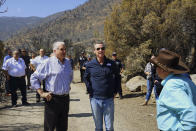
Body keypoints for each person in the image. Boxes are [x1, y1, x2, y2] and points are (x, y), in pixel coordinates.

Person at [30, 41, 73, 131]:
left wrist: (67, 85)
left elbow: (69, 75)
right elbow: (34, 77)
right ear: (54, 51)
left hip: (65, 99)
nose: (64, 51)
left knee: (63, 127)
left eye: (65, 49)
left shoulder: (68, 62)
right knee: (50, 127)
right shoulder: (48, 62)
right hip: (52, 99)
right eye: (61, 49)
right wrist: (41, 93)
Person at [150, 49, 196, 131]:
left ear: (162, 69)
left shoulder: (172, 85)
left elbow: (190, 112)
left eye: (156, 66)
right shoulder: (185, 80)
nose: (155, 69)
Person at [84, 42, 118, 131]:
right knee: (98, 127)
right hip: (95, 100)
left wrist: (115, 91)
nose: (100, 50)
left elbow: (117, 77)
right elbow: (86, 78)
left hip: (109, 99)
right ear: (94, 51)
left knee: (110, 127)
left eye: (102, 48)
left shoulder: (111, 63)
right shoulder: (90, 65)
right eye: (98, 49)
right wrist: (89, 90)